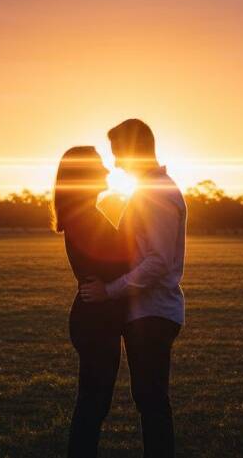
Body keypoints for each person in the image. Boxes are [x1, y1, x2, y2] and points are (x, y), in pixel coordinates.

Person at [80, 119, 187, 458]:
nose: (115, 163)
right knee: (149, 401)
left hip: (153, 314)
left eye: (117, 154)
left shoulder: (156, 193)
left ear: (132, 151)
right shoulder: (149, 190)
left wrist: (109, 290)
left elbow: (157, 263)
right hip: (147, 313)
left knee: (152, 402)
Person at [52, 146, 134, 458]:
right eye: (98, 166)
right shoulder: (83, 217)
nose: (106, 171)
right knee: (92, 407)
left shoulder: (85, 213)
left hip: (96, 318)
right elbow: (120, 262)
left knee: (94, 405)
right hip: (94, 321)